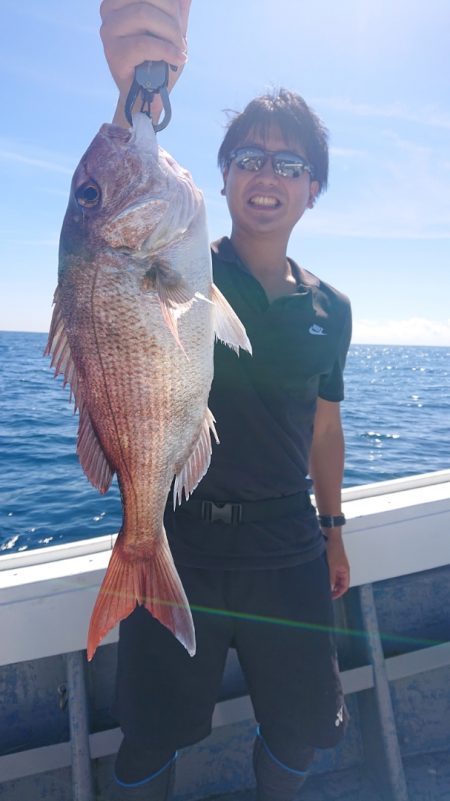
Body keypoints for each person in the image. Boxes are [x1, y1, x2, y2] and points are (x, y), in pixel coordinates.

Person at [99, 2, 352, 799]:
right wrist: (134, 95)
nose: (267, 174)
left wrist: (334, 529)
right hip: (180, 540)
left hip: (290, 548)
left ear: (313, 187)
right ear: (223, 174)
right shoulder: (179, 267)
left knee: (302, 731)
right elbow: (116, 239)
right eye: (250, 156)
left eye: (289, 163)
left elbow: (325, 426)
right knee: (149, 735)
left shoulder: (331, 308)